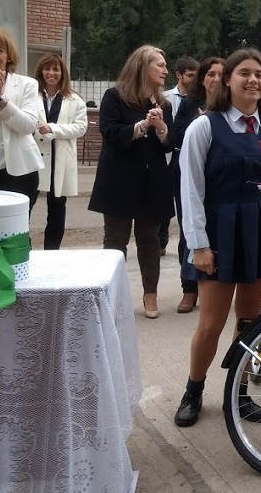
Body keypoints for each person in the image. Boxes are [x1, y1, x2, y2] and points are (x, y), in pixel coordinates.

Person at [173, 48, 261, 427]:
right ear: (227, 80)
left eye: (259, 74)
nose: (253, 80)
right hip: (219, 234)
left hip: (260, 232)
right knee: (210, 323)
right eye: (244, 73)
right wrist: (199, 244)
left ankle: (238, 393)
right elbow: (189, 190)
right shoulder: (204, 127)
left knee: (249, 321)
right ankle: (194, 390)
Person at [88, 45, 175, 319]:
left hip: (153, 183)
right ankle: (113, 296)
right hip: (119, 181)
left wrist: (161, 127)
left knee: (149, 240)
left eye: (165, 65)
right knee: (115, 240)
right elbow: (110, 133)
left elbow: (169, 145)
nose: (165, 70)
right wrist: (141, 126)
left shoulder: (165, 104)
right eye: (159, 65)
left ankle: (150, 296)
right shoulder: (114, 97)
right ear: (142, 67)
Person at [171, 56, 223, 314]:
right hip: (189, 175)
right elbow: (175, 135)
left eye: (220, 74)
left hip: (219, 179)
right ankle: (188, 290)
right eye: (210, 74)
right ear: (202, 78)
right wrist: (198, 124)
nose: (215, 79)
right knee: (188, 230)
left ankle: (217, 285)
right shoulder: (190, 103)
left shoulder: (230, 105)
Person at [32, 53, 88, 250]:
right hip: (34, 156)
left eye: (56, 69)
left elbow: (81, 128)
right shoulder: (31, 96)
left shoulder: (75, 101)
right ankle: (25, 247)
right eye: (47, 69)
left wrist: (54, 129)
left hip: (60, 158)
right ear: (41, 72)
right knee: (27, 203)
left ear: (62, 73)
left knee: (56, 208)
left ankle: (51, 250)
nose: (51, 73)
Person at [0, 27, 43, 203]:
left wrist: (1, 99)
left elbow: (29, 126)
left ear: (9, 57)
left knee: (14, 229)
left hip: (18, 171)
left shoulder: (27, 84)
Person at [158, 56, 199, 255]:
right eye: (189, 75)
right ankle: (161, 241)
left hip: (185, 153)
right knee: (164, 200)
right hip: (168, 153)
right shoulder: (164, 98)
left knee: (184, 202)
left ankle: (185, 241)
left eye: (195, 76)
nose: (193, 80)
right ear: (179, 75)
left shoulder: (199, 102)